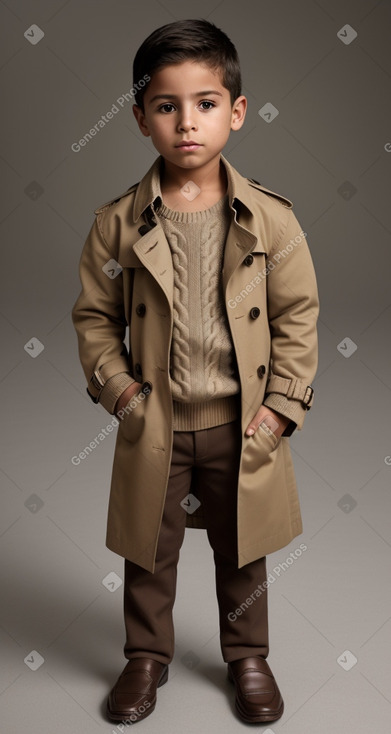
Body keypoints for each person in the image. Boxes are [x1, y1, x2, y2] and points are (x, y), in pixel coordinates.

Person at [71, 18, 319, 726]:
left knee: (245, 550)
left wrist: (280, 407)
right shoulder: (116, 224)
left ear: (235, 113)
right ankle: (145, 656)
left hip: (242, 421)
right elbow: (94, 318)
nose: (187, 123)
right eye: (166, 105)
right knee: (150, 550)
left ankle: (247, 656)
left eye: (206, 103)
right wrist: (121, 393)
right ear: (140, 118)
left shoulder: (270, 220)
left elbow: (297, 316)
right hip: (157, 421)